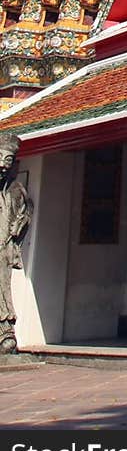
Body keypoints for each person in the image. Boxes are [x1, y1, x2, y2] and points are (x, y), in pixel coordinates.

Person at [0, 133, 33, 354]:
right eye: (0, 159)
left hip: (3, 249)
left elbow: (26, 212)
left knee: (2, 288)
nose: (3, 165)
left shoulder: (16, 191)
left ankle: (5, 332)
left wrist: (19, 224)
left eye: (8, 160)